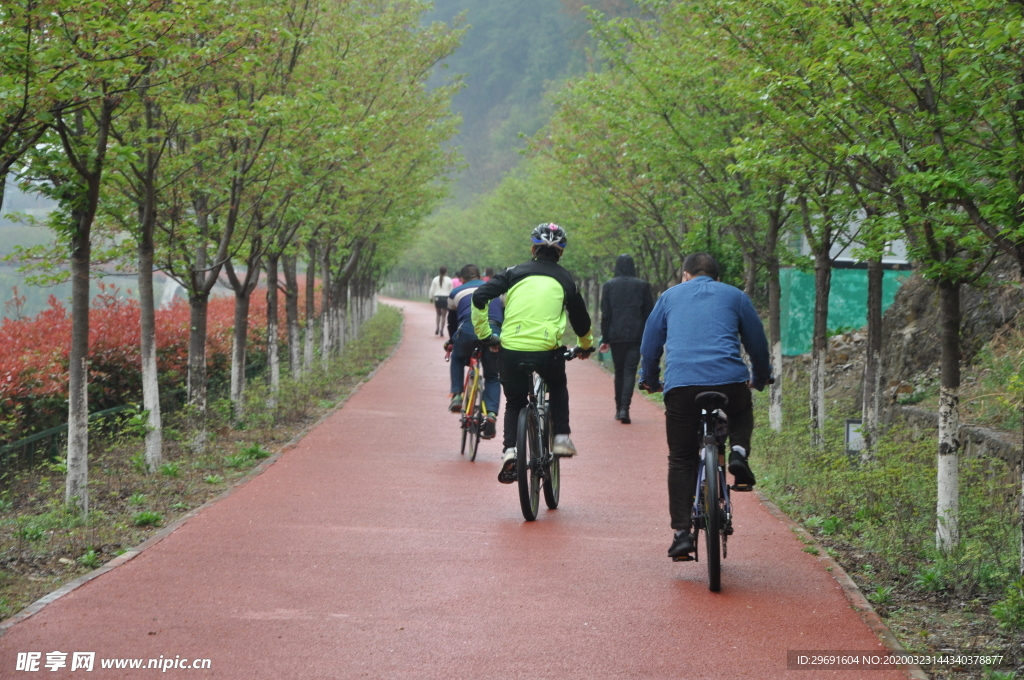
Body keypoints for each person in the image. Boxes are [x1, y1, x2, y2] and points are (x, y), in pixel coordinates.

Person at [638, 252, 771, 559]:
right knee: (740, 409)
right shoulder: (735, 296)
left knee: (682, 458)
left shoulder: (669, 297)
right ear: (717, 278)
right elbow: (757, 341)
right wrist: (760, 377)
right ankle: (738, 452)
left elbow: (650, 342)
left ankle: (682, 534)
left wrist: (649, 379)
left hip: (682, 386)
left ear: (685, 275)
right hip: (730, 382)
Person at [470, 223, 595, 483]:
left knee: (515, 402)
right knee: (557, 385)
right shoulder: (565, 279)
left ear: (532, 248)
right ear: (561, 253)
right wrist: (585, 345)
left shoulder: (513, 273)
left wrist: (485, 335)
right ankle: (561, 437)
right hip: (547, 351)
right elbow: (580, 320)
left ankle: (510, 452)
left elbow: (480, 296)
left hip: (511, 348)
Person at [445, 264, 504, 439]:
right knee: (493, 376)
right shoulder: (496, 290)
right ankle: (491, 414)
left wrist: (451, 342)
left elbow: (452, 323)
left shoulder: (456, 292)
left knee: (457, 357)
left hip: (468, 330)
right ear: (482, 276)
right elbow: (504, 315)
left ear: (461, 279)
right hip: (493, 331)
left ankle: (457, 395)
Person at [598, 254, 654, 424]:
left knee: (619, 372)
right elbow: (649, 313)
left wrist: (605, 338)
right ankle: (625, 408)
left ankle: (618, 409)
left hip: (615, 336)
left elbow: (606, 314)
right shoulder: (642, 286)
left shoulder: (609, 286)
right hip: (637, 335)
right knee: (630, 371)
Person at [428, 267, 453, 336]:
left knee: (438, 314)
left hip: (437, 298)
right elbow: (451, 290)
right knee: (444, 316)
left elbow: (432, 289)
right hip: (446, 298)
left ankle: (437, 328)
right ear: (446, 272)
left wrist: (431, 297)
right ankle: (442, 330)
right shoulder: (449, 280)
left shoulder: (435, 279)